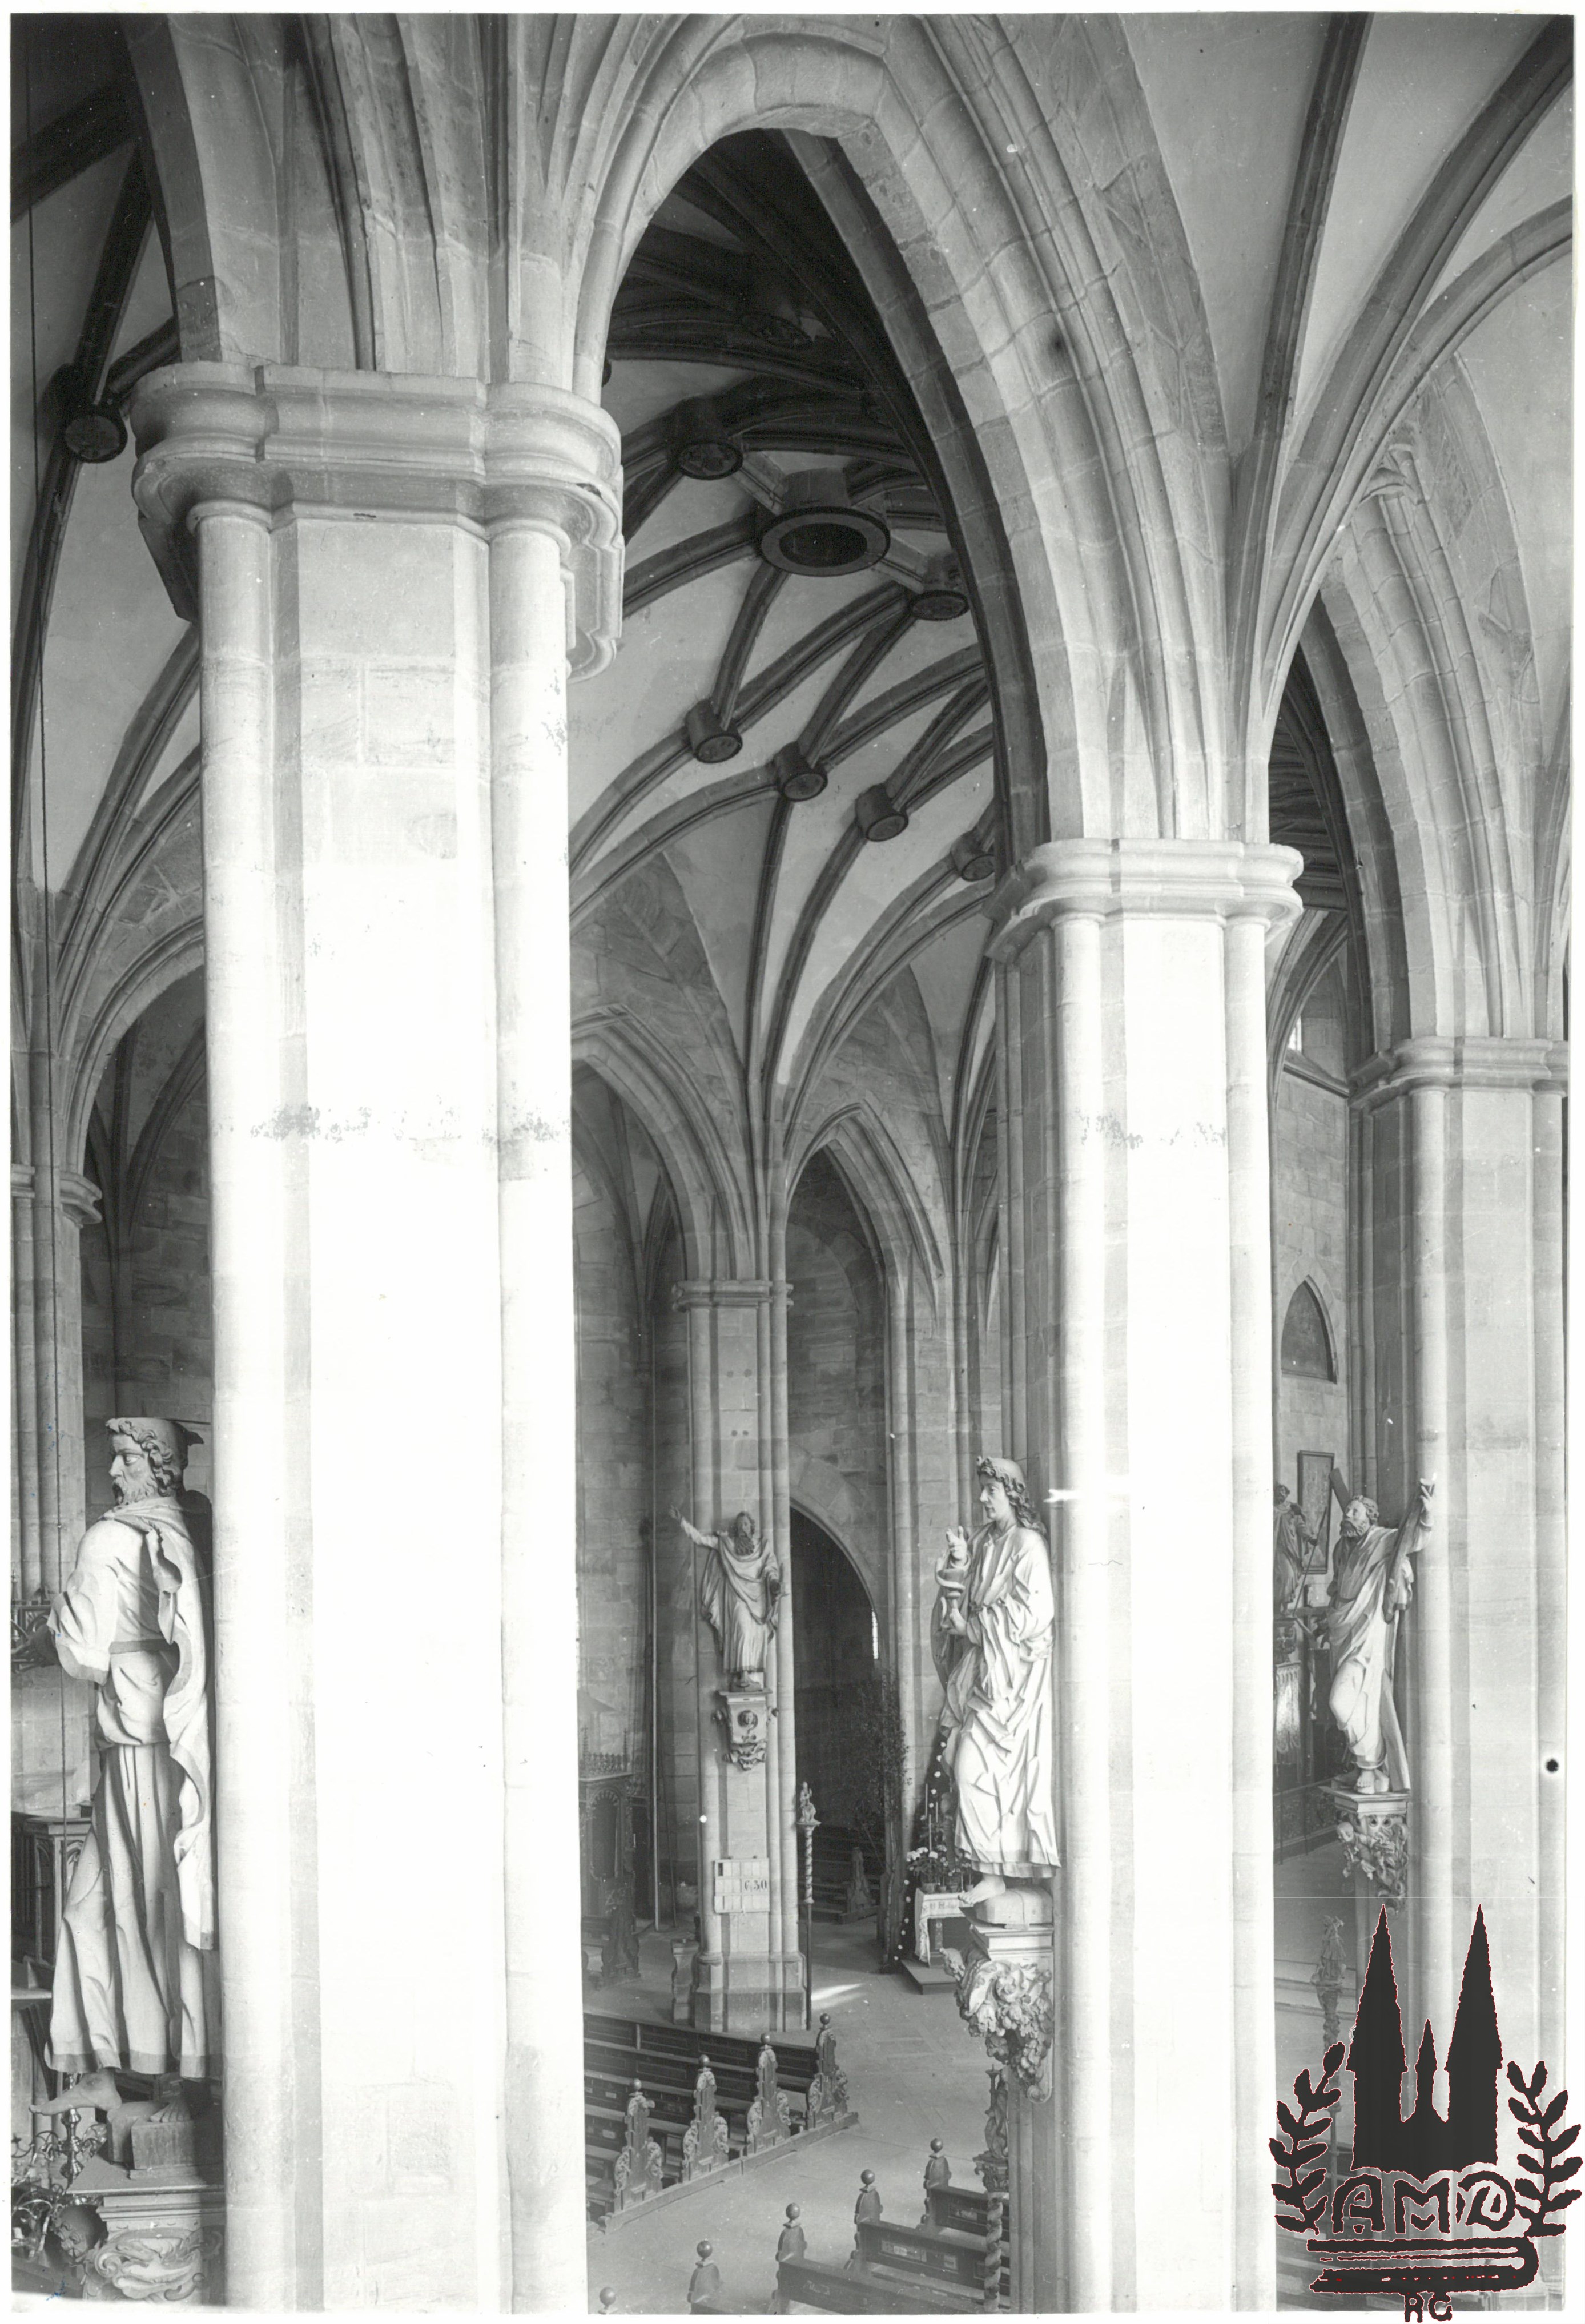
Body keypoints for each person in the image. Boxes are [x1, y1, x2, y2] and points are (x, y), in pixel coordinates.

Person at [48, 1418, 216, 2081]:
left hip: (138, 1734)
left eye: (126, 1459)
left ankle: (164, 2068)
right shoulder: (189, 1525)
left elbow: (83, 1653)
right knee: (92, 1904)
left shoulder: (109, 1537)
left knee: (147, 1902)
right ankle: (100, 2057)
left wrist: (54, 1626)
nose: (115, 1472)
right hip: (166, 1725)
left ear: (159, 1463)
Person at [932, 1455, 1058, 1905]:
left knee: (970, 1767)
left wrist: (974, 1628)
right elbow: (962, 1591)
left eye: (992, 1490)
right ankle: (990, 1869)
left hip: (1010, 1683)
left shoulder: (1028, 1545)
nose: (983, 1498)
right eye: (982, 1489)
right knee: (958, 1759)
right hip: (982, 1672)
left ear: (1013, 1494)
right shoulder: (985, 1541)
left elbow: (1036, 1613)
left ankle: (995, 1869)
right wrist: (958, 1561)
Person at [1326, 1479, 1433, 1792]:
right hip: (1343, 1634)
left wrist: (1427, 1516)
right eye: (1347, 1511)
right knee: (1355, 1704)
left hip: (1368, 1639)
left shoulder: (1382, 1540)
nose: (1348, 1516)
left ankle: (1371, 1765)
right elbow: (1338, 1589)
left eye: (1355, 1512)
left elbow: (1412, 1540)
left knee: (1346, 1702)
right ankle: (1364, 1765)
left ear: (1370, 1517)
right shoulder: (1342, 1549)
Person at [674, 1506, 781, 1688]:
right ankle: (743, 1674)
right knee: (742, 1629)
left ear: (751, 1527)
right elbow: (700, 1539)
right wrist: (682, 1521)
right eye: (740, 1525)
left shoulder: (762, 1546)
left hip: (758, 1597)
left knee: (754, 1635)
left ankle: (749, 1674)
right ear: (736, 1529)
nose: (743, 1528)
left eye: (746, 1524)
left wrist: (774, 1583)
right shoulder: (727, 1545)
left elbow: (771, 1568)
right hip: (736, 1596)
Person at [1273, 1483, 1320, 1611]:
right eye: (1278, 1492)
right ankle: (1278, 1607)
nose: (1280, 1495)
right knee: (1286, 1576)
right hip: (1279, 1549)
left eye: (1283, 1492)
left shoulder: (1292, 1509)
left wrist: (1310, 1538)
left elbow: (1300, 1527)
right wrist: (1288, 1515)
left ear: (1287, 1494)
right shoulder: (1273, 1510)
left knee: (1292, 1576)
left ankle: (1285, 1608)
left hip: (1292, 1551)